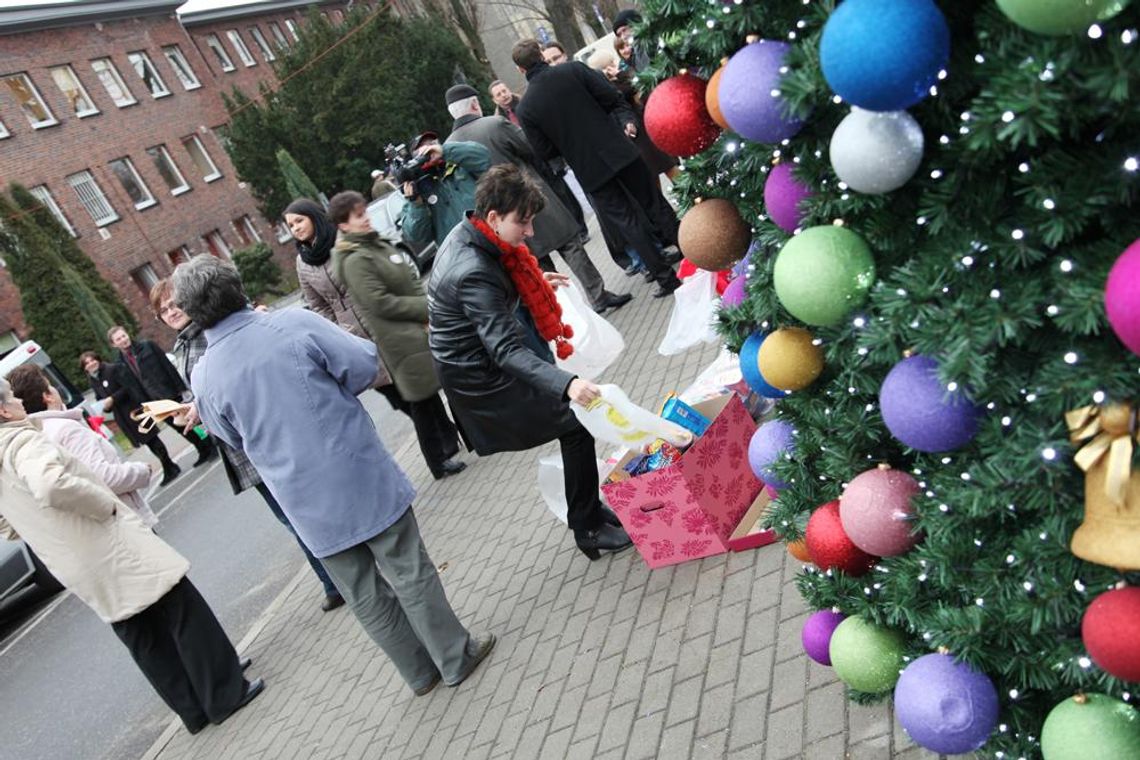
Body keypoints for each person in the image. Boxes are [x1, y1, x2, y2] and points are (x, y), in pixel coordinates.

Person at [173, 255, 494, 696]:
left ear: (192, 310)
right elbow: (362, 366)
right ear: (237, 287)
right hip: (353, 467)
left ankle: (419, 674)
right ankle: (454, 656)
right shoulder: (290, 325)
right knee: (407, 566)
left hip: (299, 496)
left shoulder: (204, 373)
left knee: (362, 591)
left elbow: (229, 437)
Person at [0, 377, 263, 735]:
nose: (19, 403)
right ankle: (225, 694)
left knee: (141, 633)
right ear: (2, 410)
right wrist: (102, 505)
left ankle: (194, 710)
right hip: (104, 541)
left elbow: (5, 520)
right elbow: (51, 485)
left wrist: (34, 526)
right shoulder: (22, 440)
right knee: (181, 607)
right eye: (13, 399)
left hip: (72, 557)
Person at [427, 165, 632, 560]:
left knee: (575, 423)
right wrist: (567, 383)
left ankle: (588, 513)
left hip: (480, 362)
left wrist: (533, 281)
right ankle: (588, 526)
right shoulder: (472, 270)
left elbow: (490, 306)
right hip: (480, 380)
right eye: (523, 222)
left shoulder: (472, 235)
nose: (531, 232)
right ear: (492, 217)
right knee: (575, 422)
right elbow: (504, 349)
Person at [149, 279, 345, 612]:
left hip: (252, 437)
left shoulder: (209, 331)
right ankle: (335, 579)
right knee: (289, 517)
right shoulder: (183, 344)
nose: (171, 312)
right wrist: (189, 406)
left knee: (298, 513)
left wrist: (200, 405)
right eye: (163, 310)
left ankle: (338, 579)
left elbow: (227, 380)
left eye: (173, 304)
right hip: (234, 444)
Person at [511, 38, 682, 298]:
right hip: (618, 149)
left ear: (521, 70)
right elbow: (611, 97)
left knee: (627, 222)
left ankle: (665, 278)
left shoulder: (525, 107)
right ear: (542, 55)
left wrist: (568, 144)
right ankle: (690, 251)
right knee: (653, 202)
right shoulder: (574, 70)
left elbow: (544, 151)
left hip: (588, 168)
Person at [444, 84, 632, 315]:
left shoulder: (447, 149)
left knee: (537, 263)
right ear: (474, 104)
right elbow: (530, 147)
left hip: (502, 218)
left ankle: (568, 313)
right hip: (530, 195)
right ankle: (598, 295)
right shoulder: (494, 125)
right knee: (570, 245)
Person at [326, 191, 467, 481]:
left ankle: (461, 442)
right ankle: (437, 462)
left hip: (416, 327)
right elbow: (379, 302)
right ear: (343, 225)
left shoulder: (375, 244)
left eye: (364, 212)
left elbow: (409, 279)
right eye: (358, 216)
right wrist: (424, 307)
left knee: (437, 390)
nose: (365, 218)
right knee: (422, 402)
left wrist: (426, 304)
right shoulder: (354, 259)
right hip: (399, 338)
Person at [285, 198, 412, 418]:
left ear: (314, 217)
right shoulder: (302, 261)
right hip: (353, 336)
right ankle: (440, 436)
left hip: (378, 321)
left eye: (299, 221)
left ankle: (442, 440)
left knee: (412, 384)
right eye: (291, 226)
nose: (296, 228)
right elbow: (317, 304)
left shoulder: (343, 240)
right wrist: (339, 331)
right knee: (392, 394)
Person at [8, 364, 159, 529]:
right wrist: (142, 470)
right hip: (125, 520)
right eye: (50, 385)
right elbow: (104, 478)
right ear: (47, 396)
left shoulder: (37, 434)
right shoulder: (66, 429)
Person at [107, 325, 217, 467]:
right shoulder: (119, 364)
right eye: (118, 339)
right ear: (113, 344)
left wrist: (180, 387)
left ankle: (212, 444)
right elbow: (131, 386)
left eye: (123, 336)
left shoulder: (147, 346)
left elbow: (166, 366)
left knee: (190, 418)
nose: (123, 340)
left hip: (168, 392)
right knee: (178, 427)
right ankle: (201, 448)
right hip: (152, 402)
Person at [81, 349, 182, 486]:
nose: (91, 364)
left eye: (93, 360)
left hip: (134, 411)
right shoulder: (94, 380)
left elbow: (127, 388)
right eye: (87, 363)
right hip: (122, 418)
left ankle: (168, 466)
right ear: (84, 368)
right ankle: (169, 466)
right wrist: (104, 406)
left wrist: (112, 398)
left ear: (98, 359)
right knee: (148, 443)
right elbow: (100, 398)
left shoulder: (112, 370)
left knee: (152, 438)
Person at [588, 48, 680, 184]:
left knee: (663, 168)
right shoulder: (609, 86)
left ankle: (690, 196)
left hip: (643, 127)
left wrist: (620, 75)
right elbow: (631, 88)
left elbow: (638, 84)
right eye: (612, 62)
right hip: (638, 132)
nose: (615, 64)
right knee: (661, 169)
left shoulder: (619, 78)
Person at [399, 132, 492, 248]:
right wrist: (416, 204)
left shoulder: (460, 166)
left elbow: (484, 157)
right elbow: (417, 236)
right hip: (461, 252)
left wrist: (445, 151)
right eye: (423, 148)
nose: (429, 149)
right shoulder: (420, 189)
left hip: (491, 235)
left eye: (432, 143)